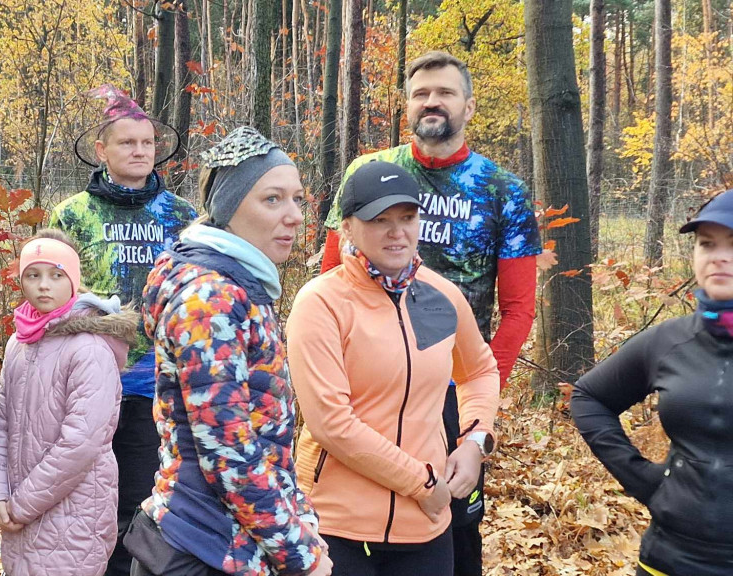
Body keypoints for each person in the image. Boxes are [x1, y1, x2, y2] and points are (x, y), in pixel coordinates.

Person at [318, 51, 541, 575]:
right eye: (421, 93)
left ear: (468, 104)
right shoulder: (369, 173)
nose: (432, 102)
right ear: (407, 105)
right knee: (351, 523)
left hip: (451, 393)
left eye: (444, 92)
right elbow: (330, 278)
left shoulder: (502, 190)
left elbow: (519, 309)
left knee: (454, 525)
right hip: (366, 387)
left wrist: (475, 408)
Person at [128, 127, 331, 576]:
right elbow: (228, 453)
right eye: (273, 199)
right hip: (204, 544)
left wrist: (302, 521)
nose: (295, 215)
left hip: (234, 539)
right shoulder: (210, 300)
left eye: (297, 199)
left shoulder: (240, 286)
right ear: (228, 207)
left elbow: (266, 438)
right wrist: (300, 555)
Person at [288, 161, 499, 575]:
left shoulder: (440, 296)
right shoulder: (321, 304)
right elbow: (332, 423)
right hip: (336, 526)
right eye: (379, 219)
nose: (397, 231)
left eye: (407, 218)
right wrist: (422, 483)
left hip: (426, 528)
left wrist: (474, 443)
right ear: (347, 227)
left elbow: (478, 372)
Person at [51, 85, 198, 576]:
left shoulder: (181, 216)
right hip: (87, 381)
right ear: (102, 150)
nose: (139, 151)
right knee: (82, 497)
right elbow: (51, 293)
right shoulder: (72, 214)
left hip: (154, 385)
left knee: (139, 499)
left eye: (147, 143)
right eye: (127, 143)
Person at [572, 189, 733, 576]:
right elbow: (589, 397)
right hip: (671, 558)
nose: (718, 256)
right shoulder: (669, 342)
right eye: (706, 244)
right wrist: (643, 479)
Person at [0, 230, 139, 575]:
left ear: (73, 280)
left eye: (56, 275)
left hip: (74, 515)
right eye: (33, 275)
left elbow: (80, 443)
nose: (43, 285)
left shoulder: (89, 349)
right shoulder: (19, 345)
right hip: (20, 517)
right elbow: (1, 423)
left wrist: (20, 505)